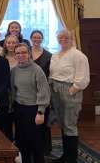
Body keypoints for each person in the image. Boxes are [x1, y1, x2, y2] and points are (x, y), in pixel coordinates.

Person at [49, 29, 90, 163]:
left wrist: (72, 90)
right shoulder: (55, 55)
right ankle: (65, 156)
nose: (63, 40)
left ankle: (71, 158)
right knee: (62, 123)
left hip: (70, 90)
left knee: (70, 124)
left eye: (66, 37)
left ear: (72, 39)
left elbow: (83, 77)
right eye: (60, 38)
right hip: (55, 89)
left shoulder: (78, 55)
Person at [11, 43, 50, 163]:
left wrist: (40, 112)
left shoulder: (37, 70)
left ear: (29, 54)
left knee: (36, 141)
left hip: (34, 109)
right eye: (18, 53)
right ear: (15, 55)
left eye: (23, 52)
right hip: (19, 109)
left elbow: (44, 91)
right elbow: (13, 90)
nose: (21, 55)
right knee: (21, 140)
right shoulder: (14, 70)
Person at [29, 30, 53, 156]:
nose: (36, 39)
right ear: (31, 38)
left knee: (43, 121)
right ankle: (32, 146)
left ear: (42, 39)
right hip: (28, 92)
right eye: (34, 37)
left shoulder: (49, 55)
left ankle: (45, 148)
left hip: (43, 92)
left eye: (39, 37)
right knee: (31, 121)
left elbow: (51, 75)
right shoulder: (26, 53)